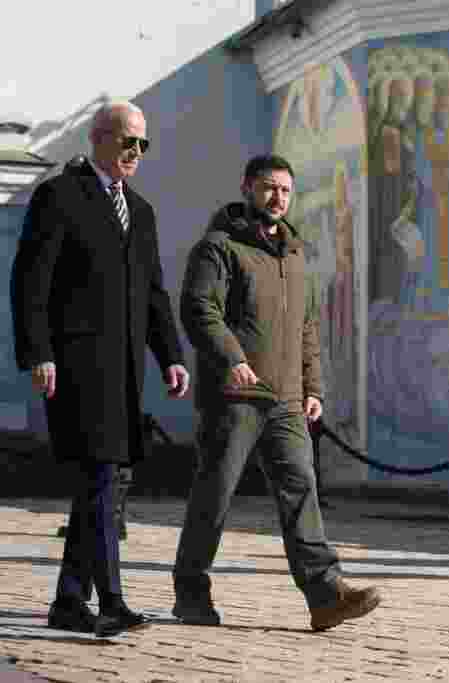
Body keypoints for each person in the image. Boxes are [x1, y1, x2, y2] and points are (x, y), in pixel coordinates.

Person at [173, 155, 381, 630]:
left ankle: (326, 595)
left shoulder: (294, 252)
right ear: (247, 187)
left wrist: (313, 387)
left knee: (301, 489)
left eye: (286, 191)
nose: (278, 198)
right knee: (216, 496)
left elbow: (307, 326)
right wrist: (233, 359)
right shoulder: (219, 247)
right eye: (269, 188)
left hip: (286, 401)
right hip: (235, 397)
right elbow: (199, 308)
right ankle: (191, 592)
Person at [11, 101, 190, 637]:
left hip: (127, 374)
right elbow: (30, 283)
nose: (136, 152)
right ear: (99, 139)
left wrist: (172, 356)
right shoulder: (60, 197)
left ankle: (69, 601)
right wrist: (38, 352)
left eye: (143, 143)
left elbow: (155, 294)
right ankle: (110, 600)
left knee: (101, 483)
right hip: (76, 368)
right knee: (101, 480)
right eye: (127, 140)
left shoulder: (142, 211)